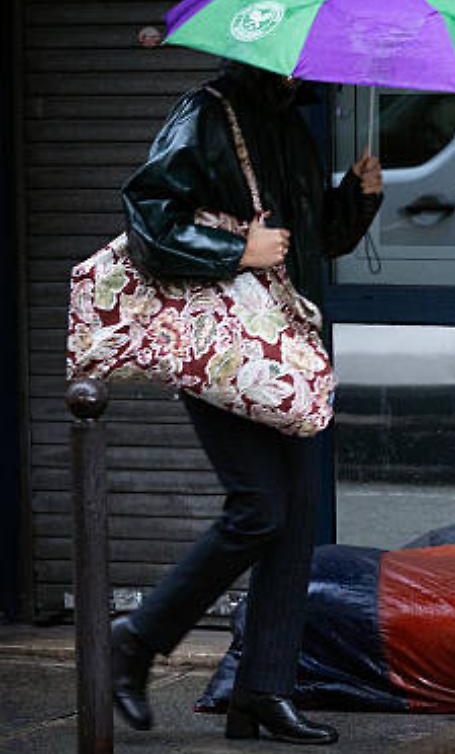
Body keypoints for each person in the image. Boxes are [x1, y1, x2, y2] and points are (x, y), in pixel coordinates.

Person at [110, 59, 383, 746]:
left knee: (293, 515)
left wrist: (357, 197)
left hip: (281, 345)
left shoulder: (290, 123)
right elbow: (149, 219)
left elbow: (310, 240)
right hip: (223, 342)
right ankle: (135, 641)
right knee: (260, 504)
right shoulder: (206, 113)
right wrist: (236, 247)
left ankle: (262, 691)